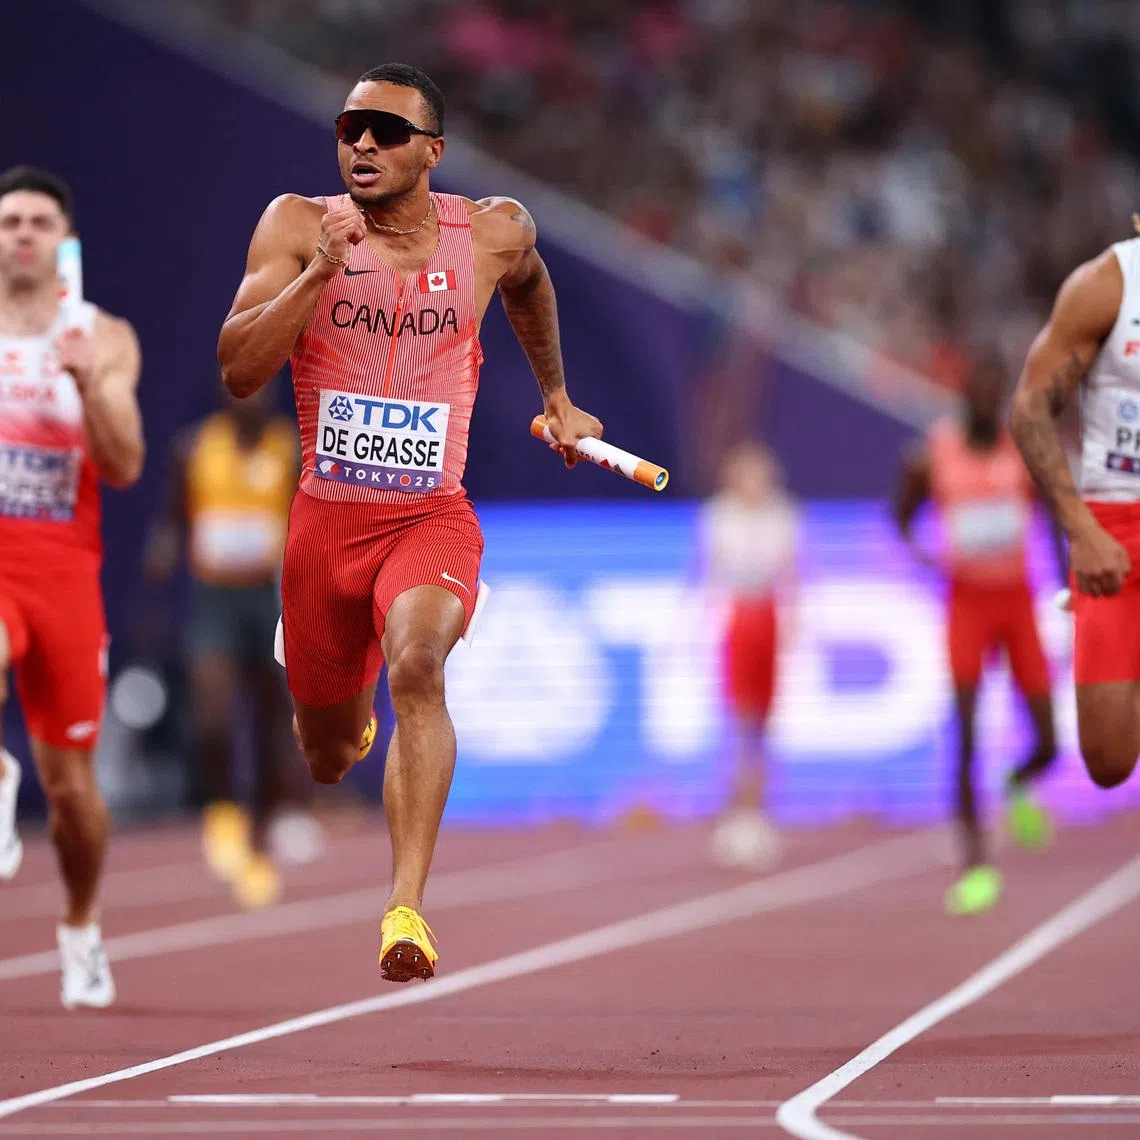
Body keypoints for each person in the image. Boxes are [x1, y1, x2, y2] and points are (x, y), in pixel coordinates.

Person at [217, 64, 603, 982]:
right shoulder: (296, 224)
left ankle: (406, 911)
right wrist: (319, 270)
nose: (362, 144)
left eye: (387, 131)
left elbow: (532, 284)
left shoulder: (495, 232)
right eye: (351, 127)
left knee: (419, 666)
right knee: (323, 757)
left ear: (434, 151)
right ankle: (340, 709)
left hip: (430, 519)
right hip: (325, 527)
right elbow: (238, 369)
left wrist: (557, 395)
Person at [0, 166, 144, 1007]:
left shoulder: (105, 335)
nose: (21, 233)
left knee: (72, 794)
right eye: (9, 220)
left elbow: (124, 465)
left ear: (64, 239)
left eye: (38, 221)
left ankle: (82, 924)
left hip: (62, 569)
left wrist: (87, 381)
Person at [143, 379, 320, 910]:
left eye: (261, 391)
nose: (250, 400)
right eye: (241, 390)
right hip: (214, 600)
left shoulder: (289, 447)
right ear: (225, 395)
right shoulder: (194, 447)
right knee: (213, 715)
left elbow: (307, 522)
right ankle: (223, 811)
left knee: (273, 721)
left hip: (268, 599)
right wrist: (159, 568)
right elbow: (173, 519)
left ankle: (270, 825)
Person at [896, 354, 1058, 915]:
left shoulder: (1022, 449)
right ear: (966, 400)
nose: (990, 406)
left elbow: (1053, 515)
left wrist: (1064, 579)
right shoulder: (934, 453)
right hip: (966, 603)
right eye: (981, 397)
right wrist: (925, 557)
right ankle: (975, 867)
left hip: (1016, 601)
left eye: (998, 396)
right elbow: (901, 515)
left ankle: (1018, 780)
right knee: (964, 733)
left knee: (1050, 741)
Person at [1010, 219, 1140, 790]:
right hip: (1115, 524)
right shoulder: (1108, 283)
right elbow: (1030, 410)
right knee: (1108, 760)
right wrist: (1081, 532)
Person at [698, 442, 797, 871]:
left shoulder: (782, 517)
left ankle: (760, 811)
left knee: (764, 723)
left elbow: (790, 575)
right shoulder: (719, 516)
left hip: (769, 619)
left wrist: (792, 625)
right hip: (737, 622)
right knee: (738, 719)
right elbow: (712, 575)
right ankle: (735, 811)